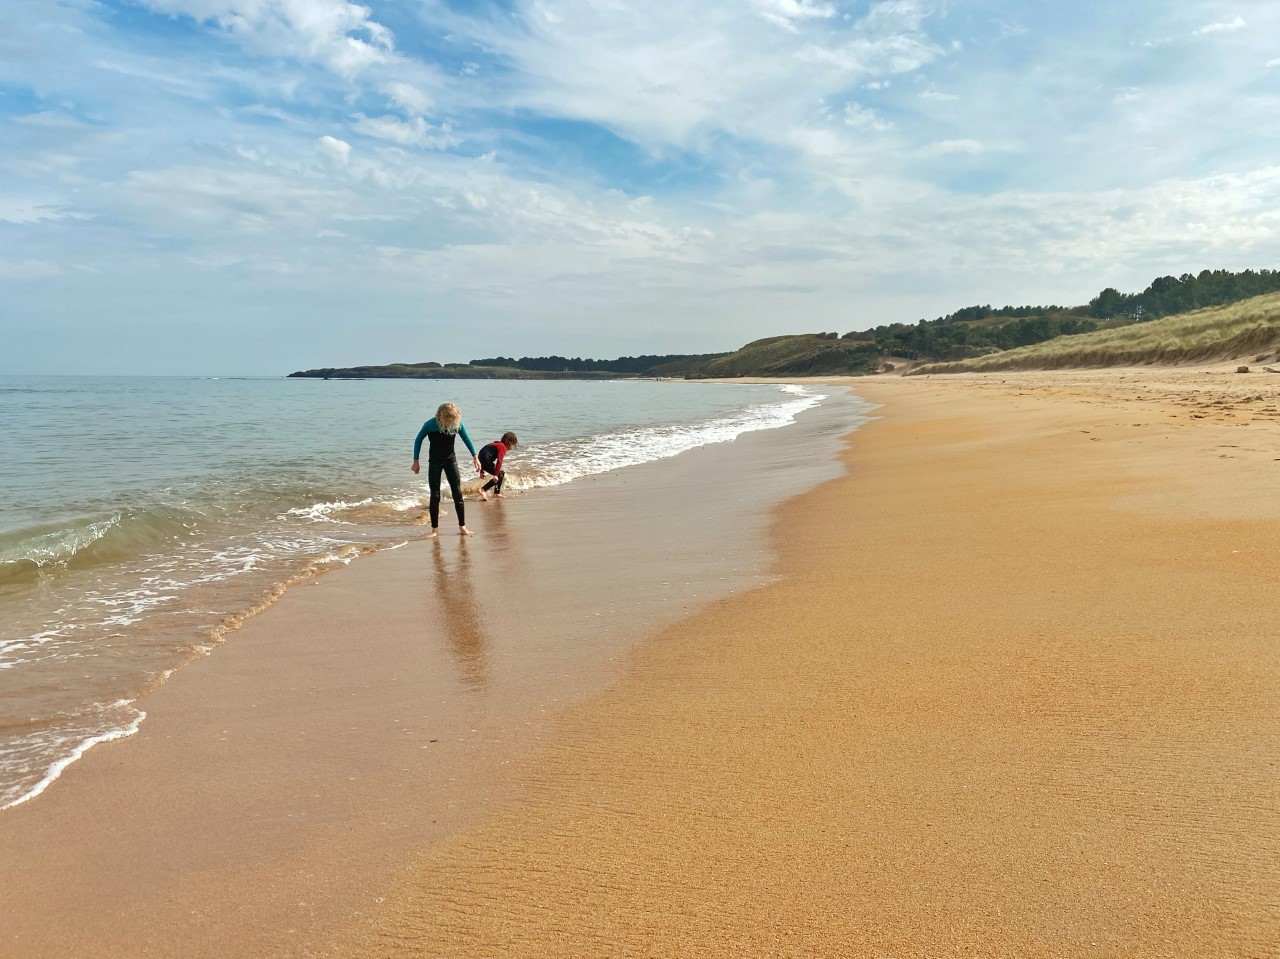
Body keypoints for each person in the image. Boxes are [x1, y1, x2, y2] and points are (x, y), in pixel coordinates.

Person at [412, 402, 480, 537]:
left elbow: (467, 439)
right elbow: (418, 440)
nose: (450, 421)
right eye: (448, 418)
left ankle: (462, 527)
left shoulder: (457, 423)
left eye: (452, 418)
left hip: (451, 461)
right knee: (435, 495)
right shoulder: (430, 424)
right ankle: (435, 530)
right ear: (440, 415)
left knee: (458, 493)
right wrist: (416, 461)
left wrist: (475, 457)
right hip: (434, 463)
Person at [477, 431, 518, 500]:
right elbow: (499, 461)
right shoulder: (502, 447)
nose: (512, 447)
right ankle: (483, 489)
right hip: (485, 458)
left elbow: (483, 456)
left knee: (501, 473)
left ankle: (496, 493)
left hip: (482, 457)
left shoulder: (497, 444)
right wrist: (495, 475)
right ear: (510, 442)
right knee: (499, 475)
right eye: (513, 444)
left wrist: (482, 472)